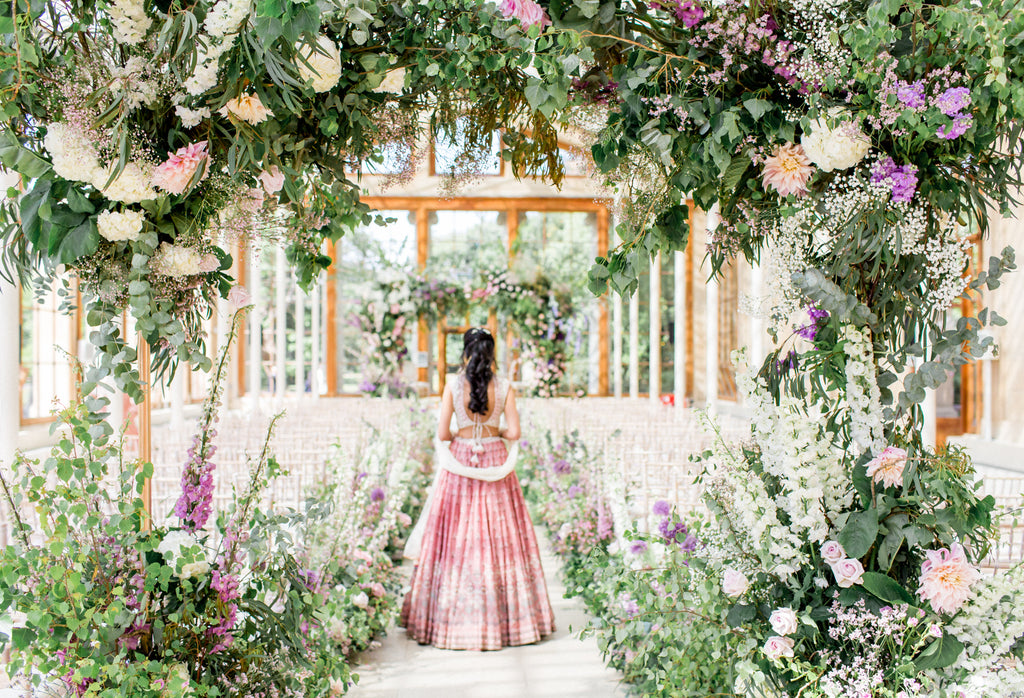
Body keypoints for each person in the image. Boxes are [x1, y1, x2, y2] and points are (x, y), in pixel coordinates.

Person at [400, 327, 555, 650]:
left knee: (456, 537)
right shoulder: (506, 387)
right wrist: (492, 429)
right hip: (496, 462)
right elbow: (514, 431)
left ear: (466, 351)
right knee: (501, 538)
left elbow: (443, 433)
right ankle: (511, 622)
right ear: (492, 352)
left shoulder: (453, 386)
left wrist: (466, 431)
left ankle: (449, 622)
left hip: (461, 465)